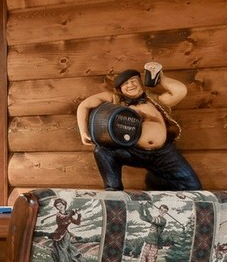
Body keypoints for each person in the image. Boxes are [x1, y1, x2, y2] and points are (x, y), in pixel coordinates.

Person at [75, 61, 201, 191]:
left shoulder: (154, 100)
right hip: (133, 152)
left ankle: (155, 180)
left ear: (141, 82)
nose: (130, 85)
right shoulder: (115, 99)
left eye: (134, 80)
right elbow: (85, 105)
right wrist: (83, 132)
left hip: (163, 153)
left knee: (193, 187)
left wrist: (160, 78)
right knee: (102, 151)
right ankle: (113, 189)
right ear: (119, 89)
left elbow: (180, 91)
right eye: (125, 84)